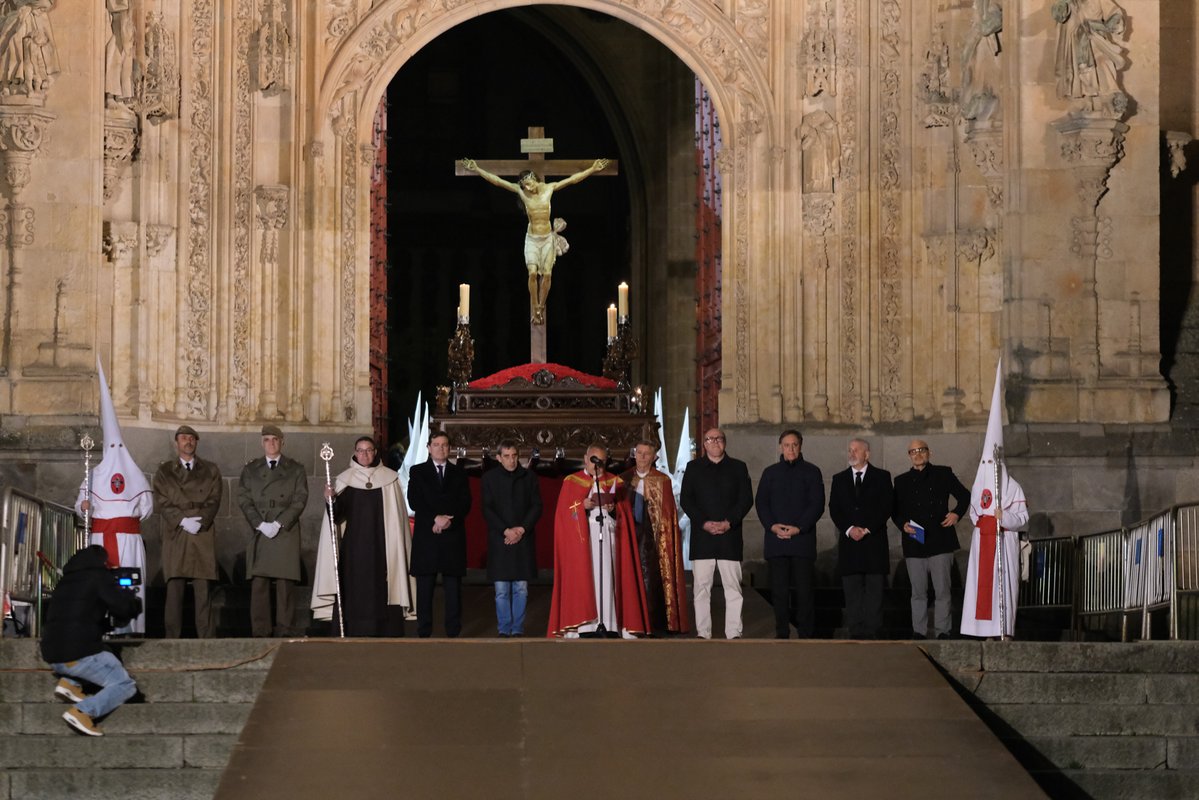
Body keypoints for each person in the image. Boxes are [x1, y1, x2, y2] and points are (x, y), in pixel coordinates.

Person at [460, 156, 610, 324]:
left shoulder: (549, 188)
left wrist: (592, 169)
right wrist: (477, 169)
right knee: (532, 274)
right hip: (532, 239)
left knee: (547, 274)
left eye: (529, 184)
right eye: (525, 186)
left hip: (547, 239)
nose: (528, 188)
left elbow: (572, 180)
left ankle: (540, 307)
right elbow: (498, 181)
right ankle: (535, 304)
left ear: (533, 178)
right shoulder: (522, 193)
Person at [75, 359, 153, 635]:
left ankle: (132, 627)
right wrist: (83, 506)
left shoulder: (135, 473)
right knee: (102, 582)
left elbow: (146, 506)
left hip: (128, 540)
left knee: (129, 582)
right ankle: (103, 627)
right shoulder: (93, 474)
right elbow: (80, 506)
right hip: (101, 540)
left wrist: (128, 514)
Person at [313, 436, 413, 636]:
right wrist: (330, 499)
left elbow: (397, 518)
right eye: (360, 450)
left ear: (375, 452)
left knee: (384, 587)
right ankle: (352, 629)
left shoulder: (390, 478)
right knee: (354, 589)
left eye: (368, 450)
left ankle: (386, 630)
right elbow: (337, 516)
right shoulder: (345, 479)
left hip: (384, 546)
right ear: (355, 452)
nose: (364, 454)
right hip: (354, 548)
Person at [547, 443, 649, 638]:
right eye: (594, 461)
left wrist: (614, 509)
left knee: (608, 577)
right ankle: (585, 626)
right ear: (586, 459)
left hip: (608, 537)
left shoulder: (614, 481)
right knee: (586, 578)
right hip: (582, 543)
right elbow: (563, 514)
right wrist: (581, 506)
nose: (598, 466)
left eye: (601, 462)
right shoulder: (572, 481)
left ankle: (609, 623)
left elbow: (625, 513)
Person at [42, 544, 142, 736]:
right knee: (124, 685)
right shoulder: (98, 577)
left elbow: (77, 616)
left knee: (104, 652)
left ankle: (70, 684)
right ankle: (83, 712)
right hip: (78, 654)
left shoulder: (66, 581)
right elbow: (121, 607)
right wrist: (130, 599)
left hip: (53, 655)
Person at [891, 439, 971, 640]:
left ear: (929, 452)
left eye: (921, 450)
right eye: (913, 451)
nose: (917, 454)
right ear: (909, 455)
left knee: (942, 591)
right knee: (918, 592)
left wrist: (956, 514)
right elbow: (894, 510)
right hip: (914, 541)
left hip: (940, 540)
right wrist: (902, 524)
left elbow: (964, 496)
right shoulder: (900, 481)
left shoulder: (943, 474)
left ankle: (943, 631)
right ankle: (919, 631)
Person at [680, 428, 753, 639]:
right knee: (701, 588)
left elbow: (746, 499)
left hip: (729, 535)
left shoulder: (739, 467)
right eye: (710, 439)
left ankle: (733, 632)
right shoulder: (693, 468)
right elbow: (686, 499)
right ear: (704, 444)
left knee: (733, 587)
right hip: (702, 537)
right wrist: (703, 523)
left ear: (725, 443)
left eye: (719, 439)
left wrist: (729, 522)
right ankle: (703, 632)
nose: (714, 442)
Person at [236, 425, 308, 637]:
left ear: (282, 442)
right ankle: (260, 632)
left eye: (275, 439)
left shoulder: (296, 469)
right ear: (262, 442)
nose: (271, 443)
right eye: (267, 439)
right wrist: (259, 523)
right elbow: (244, 498)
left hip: (285, 530)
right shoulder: (251, 470)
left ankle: (285, 630)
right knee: (260, 583)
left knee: (285, 584)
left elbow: (300, 499)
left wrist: (279, 523)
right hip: (261, 530)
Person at [152, 425, 223, 639]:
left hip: (201, 531)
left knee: (203, 592)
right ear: (177, 442)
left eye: (191, 438)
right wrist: (182, 520)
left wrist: (200, 520)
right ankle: (172, 640)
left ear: (196, 442)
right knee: (175, 591)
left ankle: (206, 641)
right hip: (177, 533)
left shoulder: (210, 470)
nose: (188, 441)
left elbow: (215, 498)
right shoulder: (164, 471)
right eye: (183, 438)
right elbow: (162, 500)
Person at [754, 429, 825, 639]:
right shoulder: (770, 473)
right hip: (776, 540)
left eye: (794, 445)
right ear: (780, 447)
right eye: (786, 445)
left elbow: (817, 504)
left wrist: (799, 528)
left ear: (801, 446)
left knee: (804, 592)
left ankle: (805, 634)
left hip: (802, 540)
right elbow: (762, 503)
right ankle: (782, 632)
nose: (790, 449)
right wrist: (772, 526)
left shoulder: (812, 471)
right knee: (779, 591)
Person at [407, 431, 472, 638]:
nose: (440, 448)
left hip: (452, 538)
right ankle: (424, 631)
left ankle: (453, 632)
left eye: (444, 445)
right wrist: (434, 518)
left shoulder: (460, 473)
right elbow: (414, 501)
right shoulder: (417, 471)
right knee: (425, 589)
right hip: (427, 538)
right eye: (436, 444)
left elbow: (465, 502)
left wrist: (448, 521)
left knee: (453, 590)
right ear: (429, 447)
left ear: (449, 448)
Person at [621, 439, 690, 635]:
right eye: (639, 452)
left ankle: (655, 623)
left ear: (654, 457)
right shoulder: (623, 479)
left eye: (646, 453)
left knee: (652, 579)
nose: (642, 457)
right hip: (630, 536)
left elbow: (668, 515)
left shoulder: (663, 481)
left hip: (654, 539)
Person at [828, 438, 894, 639]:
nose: (852, 453)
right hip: (850, 545)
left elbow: (887, 506)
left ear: (867, 454)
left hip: (873, 543)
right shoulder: (839, 479)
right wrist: (849, 529)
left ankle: (874, 632)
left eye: (856, 450)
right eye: (850, 450)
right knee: (852, 592)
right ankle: (855, 632)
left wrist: (866, 529)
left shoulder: (882, 477)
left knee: (875, 592)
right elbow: (834, 509)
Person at [482, 440, 542, 637]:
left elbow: (536, 507)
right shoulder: (489, 478)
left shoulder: (529, 477)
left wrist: (521, 530)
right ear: (499, 458)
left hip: (522, 539)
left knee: (521, 589)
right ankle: (504, 628)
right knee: (501, 591)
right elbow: (487, 509)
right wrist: (505, 530)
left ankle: (517, 629)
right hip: (500, 539)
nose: (511, 460)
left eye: (514, 455)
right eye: (506, 456)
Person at [1051, 0, 1126, 104]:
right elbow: (1059, 15)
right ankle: (1086, 102)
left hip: (1096, 41)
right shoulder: (1068, 2)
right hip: (1074, 45)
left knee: (1103, 64)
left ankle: (1110, 99)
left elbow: (1114, 13)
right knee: (1079, 74)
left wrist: (1114, 21)